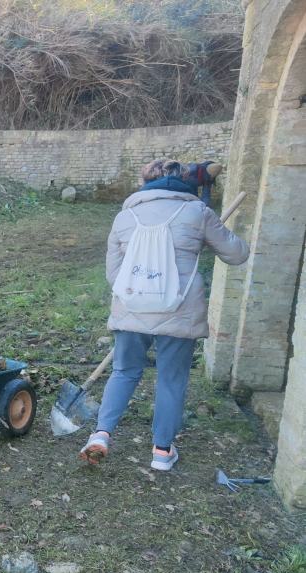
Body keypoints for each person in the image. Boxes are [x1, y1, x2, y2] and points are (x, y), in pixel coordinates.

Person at [79, 159, 249, 472]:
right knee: (171, 380)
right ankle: (161, 451)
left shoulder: (124, 216)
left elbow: (113, 274)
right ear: (188, 184)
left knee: (124, 371)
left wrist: (139, 295)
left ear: (145, 185)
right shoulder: (198, 213)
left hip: (131, 309)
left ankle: (101, 434)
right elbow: (237, 254)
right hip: (179, 311)